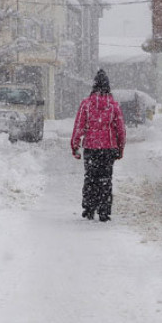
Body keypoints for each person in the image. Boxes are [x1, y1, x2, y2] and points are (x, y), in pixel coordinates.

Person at [70, 69, 126, 222]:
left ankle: (89, 208)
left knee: (90, 178)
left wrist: (75, 145)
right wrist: (120, 148)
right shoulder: (114, 106)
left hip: (91, 148)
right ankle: (104, 210)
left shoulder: (86, 105)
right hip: (108, 149)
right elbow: (121, 129)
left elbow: (78, 127)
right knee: (106, 179)